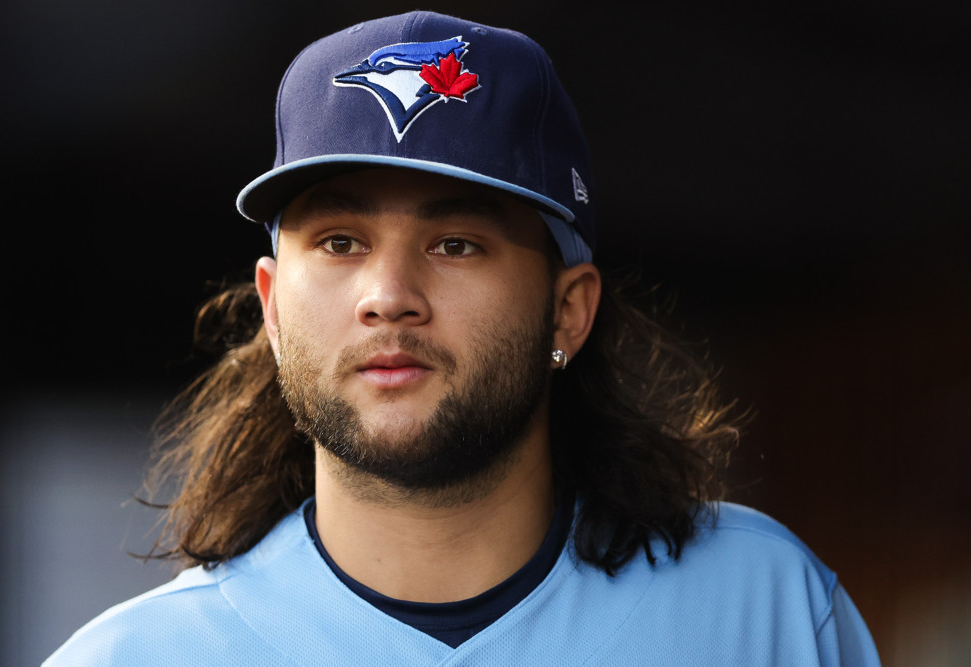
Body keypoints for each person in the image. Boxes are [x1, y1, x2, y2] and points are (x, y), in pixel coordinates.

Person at [45, 11, 880, 665]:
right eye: (340, 241)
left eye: (456, 244)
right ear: (272, 306)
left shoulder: (766, 610)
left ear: (568, 310)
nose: (388, 297)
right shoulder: (132, 657)